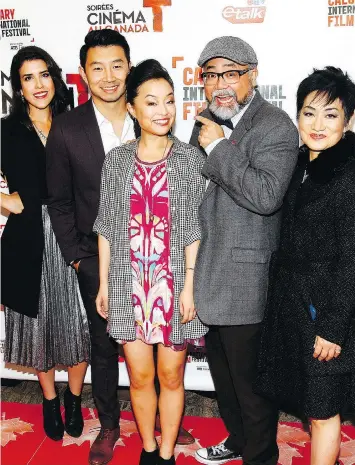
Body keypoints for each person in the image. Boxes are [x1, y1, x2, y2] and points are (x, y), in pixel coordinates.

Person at [255, 67, 355, 465]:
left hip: (324, 315)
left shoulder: (353, 179)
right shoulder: (296, 167)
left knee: (324, 413)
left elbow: (353, 260)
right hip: (290, 308)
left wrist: (332, 328)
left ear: (348, 119)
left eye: (330, 114)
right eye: (309, 113)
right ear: (297, 116)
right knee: (310, 408)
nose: (318, 124)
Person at [189, 36, 299, 465]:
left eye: (231, 74)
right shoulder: (203, 121)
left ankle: (260, 457)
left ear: (253, 75)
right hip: (209, 273)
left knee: (252, 391)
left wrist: (218, 146)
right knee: (225, 381)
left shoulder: (275, 125)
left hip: (248, 278)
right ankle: (236, 441)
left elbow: (266, 195)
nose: (220, 84)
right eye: (211, 74)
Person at [93, 58, 207, 465]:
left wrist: (191, 286)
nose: (163, 111)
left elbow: (195, 230)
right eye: (152, 102)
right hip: (127, 285)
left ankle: (167, 453)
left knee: (171, 376)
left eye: (170, 101)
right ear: (133, 108)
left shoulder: (190, 160)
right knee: (140, 378)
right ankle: (147, 450)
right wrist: (105, 284)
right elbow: (105, 226)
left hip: (174, 285)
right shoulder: (116, 162)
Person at [45, 30, 137, 465]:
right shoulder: (67, 128)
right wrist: (79, 258)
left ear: (129, 67)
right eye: (97, 68)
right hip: (95, 257)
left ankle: (158, 414)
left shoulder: (149, 115)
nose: (108, 76)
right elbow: (59, 201)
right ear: (82, 74)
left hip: (154, 251)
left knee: (157, 342)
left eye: (116, 65)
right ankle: (110, 425)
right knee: (103, 345)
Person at [1, 46, 90, 441]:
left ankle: (74, 399)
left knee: (80, 323)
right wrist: (6, 200)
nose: (38, 85)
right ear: (18, 88)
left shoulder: (74, 124)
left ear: (55, 78)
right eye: (27, 78)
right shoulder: (6, 129)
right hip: (29, 241)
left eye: (44, 75)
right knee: (38, 328)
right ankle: (49, 400)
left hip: (72, 234)